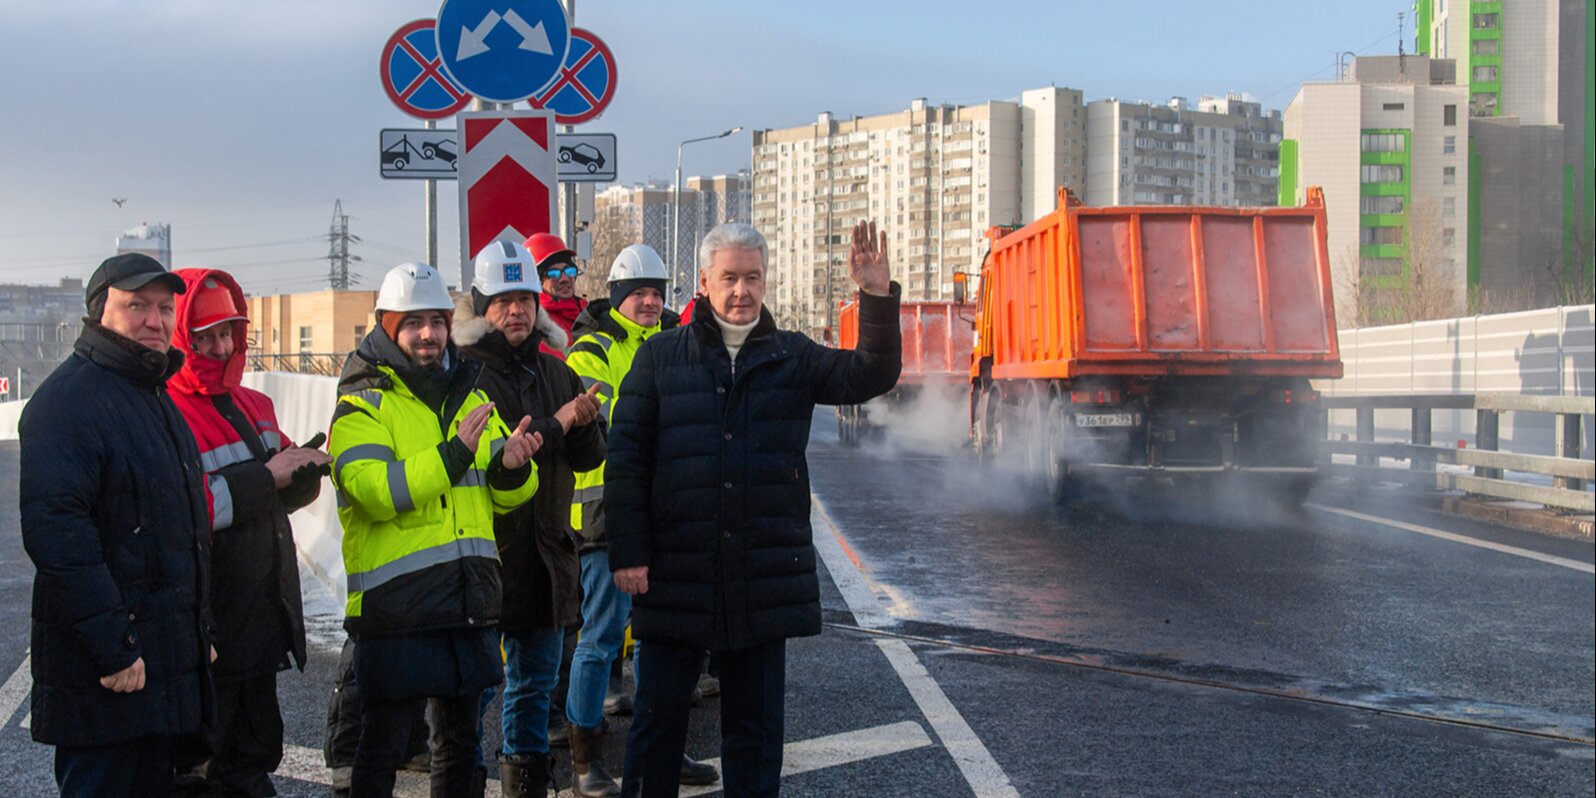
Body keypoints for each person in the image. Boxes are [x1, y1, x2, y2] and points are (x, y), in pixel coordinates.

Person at [607, 222, 901, 797]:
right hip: (675, 573)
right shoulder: (661, 358)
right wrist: (629, 553)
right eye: (729, 278)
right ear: (704, 282)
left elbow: (872, 373)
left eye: (752, 278)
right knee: (657, 724)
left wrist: (874, 296)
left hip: (760, 577)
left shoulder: (792, 356)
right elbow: (626, 462)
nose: (741, 291)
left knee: (756, 734)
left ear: (766, 282)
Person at [328, 261, 541, 798]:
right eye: (414, 322)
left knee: (461, 747)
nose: (429, 334)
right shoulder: (362, 403)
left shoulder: (469, 395)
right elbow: (375, 492)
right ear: (388, 326)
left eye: (438, 321)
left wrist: (514, 466)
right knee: (382, 748)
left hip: (467, 601)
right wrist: (452, 456)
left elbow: (505, 495)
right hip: (399, 609)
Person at [19, 252, 216, 797]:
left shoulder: (153, 397)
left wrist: (199, 635)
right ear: (98, 312)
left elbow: (178, 534)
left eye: (163, 307)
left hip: (157, 663)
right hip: (109, 674)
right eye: (136, 306)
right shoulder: (68, 402)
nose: (155, 320)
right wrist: (114, 646)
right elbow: (58, 536)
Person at [166, 268, 331, 797]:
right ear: (183, 339)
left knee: (257, 750)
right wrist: (269, 476)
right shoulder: (166, 411)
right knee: (201, 767)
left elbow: (276, 487)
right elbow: (188, 510)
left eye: (228, 333)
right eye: (205, 336)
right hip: (210, 624)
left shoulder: (253, 403)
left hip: (259, 619)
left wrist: (302, 476)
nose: (219, 347)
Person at [453, 240, 607, 795]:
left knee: (535, 686)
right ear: (481, 306)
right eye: (502, 301)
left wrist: (585, 421)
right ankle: (462, 779)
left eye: (524, 299)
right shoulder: (464, 375)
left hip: (547, 556)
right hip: (487, 559)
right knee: (474, 689)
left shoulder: (556, 369)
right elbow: (500, 457)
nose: (517, 311)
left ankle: (526, 785)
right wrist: (561, 420)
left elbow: (589, 457)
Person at [564, 245, 718, 797]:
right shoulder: (592, 349)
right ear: (618, 299)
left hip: (670, 515)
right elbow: (602, 420)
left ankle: (664, 747)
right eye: (640, 294)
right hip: (607, 516)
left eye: (657, 293)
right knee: (601, 637)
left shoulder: (677, 343)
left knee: (663, 640)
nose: (651, 302)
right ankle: (586, 760)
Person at [526, 232, 587, 359]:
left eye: (569, 270)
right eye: (553, 274)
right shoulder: (536, 328)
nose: (564, 278)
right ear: (537, 281)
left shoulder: (589, 316)